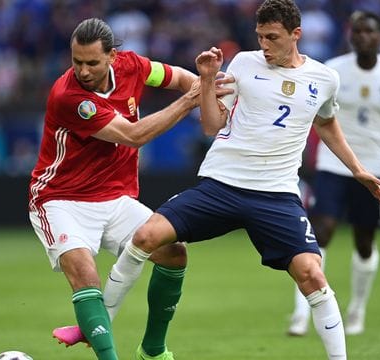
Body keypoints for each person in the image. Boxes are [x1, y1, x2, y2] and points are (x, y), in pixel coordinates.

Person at [106, 1, 380, 359]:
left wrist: (357, 168)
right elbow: (211, 125)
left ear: (295, 35)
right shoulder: (242, 63)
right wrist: (207, 79)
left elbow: (327, 122)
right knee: (146, 236)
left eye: (272, 37)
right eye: (260, 37)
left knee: (313, 276)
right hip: (221, 185)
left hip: (276, 196)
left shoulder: (324, 79)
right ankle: (98, 326)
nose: (264, 45)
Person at [27, 18, 232, 360]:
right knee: (85, 275)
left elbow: (178, 77)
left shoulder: (133, 65)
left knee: (174, 252)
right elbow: (134, 136)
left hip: (115, 197)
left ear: (112, 56)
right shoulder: (72, 97)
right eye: (76, 61)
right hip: (61, 199)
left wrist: (205, 90)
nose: (83, 70)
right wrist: (190, 102)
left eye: (92, 62)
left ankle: (153, 350)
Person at [287, 10, 380, 337]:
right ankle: (301, 314)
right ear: (350, 37)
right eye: (357, 31)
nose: (362, 36)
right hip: (334, 164)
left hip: (373, 168)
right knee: (322, 232)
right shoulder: (333, 70)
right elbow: (313, 113)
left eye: (369, 32)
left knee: (364, 241)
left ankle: (357, 309)